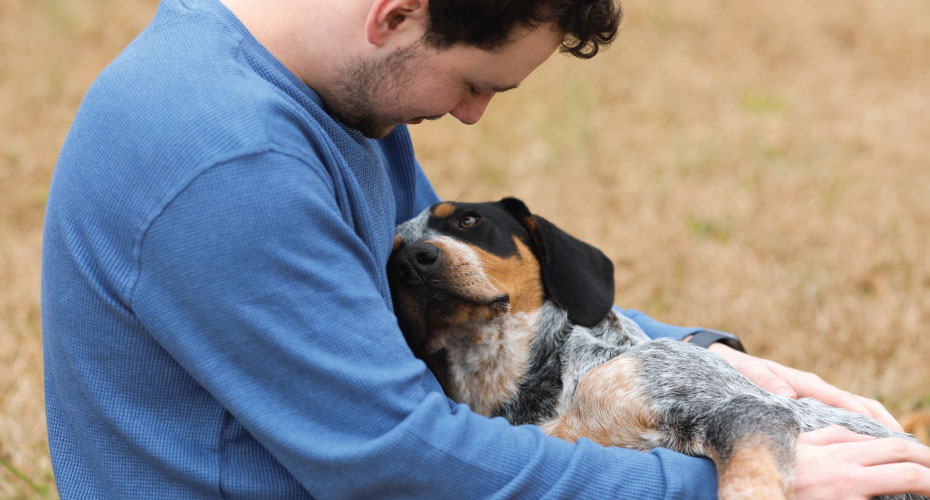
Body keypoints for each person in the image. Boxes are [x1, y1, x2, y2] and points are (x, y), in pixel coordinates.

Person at [41, 0, 930, 498]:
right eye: (474, 83)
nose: (471, 116)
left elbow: (506, 304)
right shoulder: (228, 158)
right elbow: (396, 461)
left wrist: (713, 363)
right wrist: (743, 480)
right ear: (397, 14)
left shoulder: (334, 98)